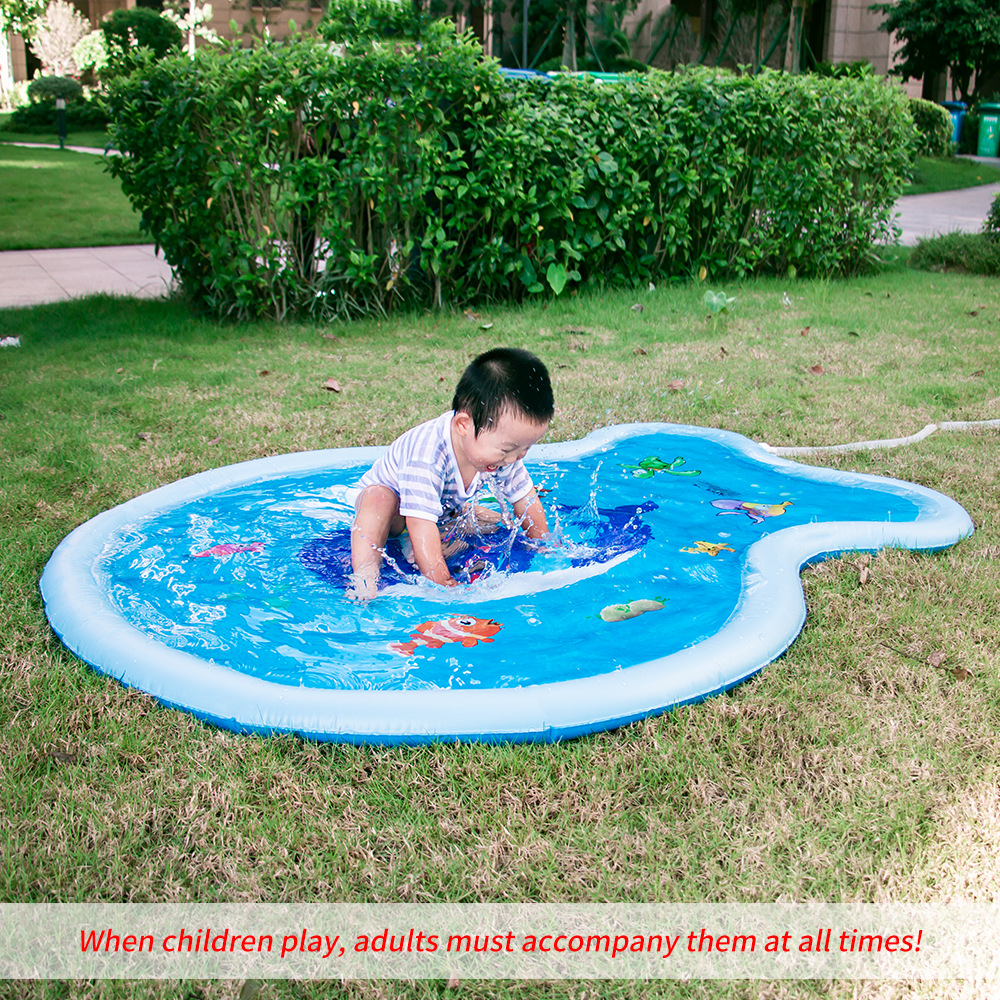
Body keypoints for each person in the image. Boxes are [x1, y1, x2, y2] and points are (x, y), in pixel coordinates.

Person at [350, 347, 554, 598]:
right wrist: (443, 583)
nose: (514, 458)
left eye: (525, 449)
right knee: (379, 497)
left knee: (495, 523)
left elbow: (525, 498)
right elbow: (419, 523)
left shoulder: (499, 448)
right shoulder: (428, 453)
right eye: (508, 450)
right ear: (464, 425)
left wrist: (545, 547)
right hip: (393, 516)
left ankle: (429, 536)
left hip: (436, 512)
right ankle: (364, 577)